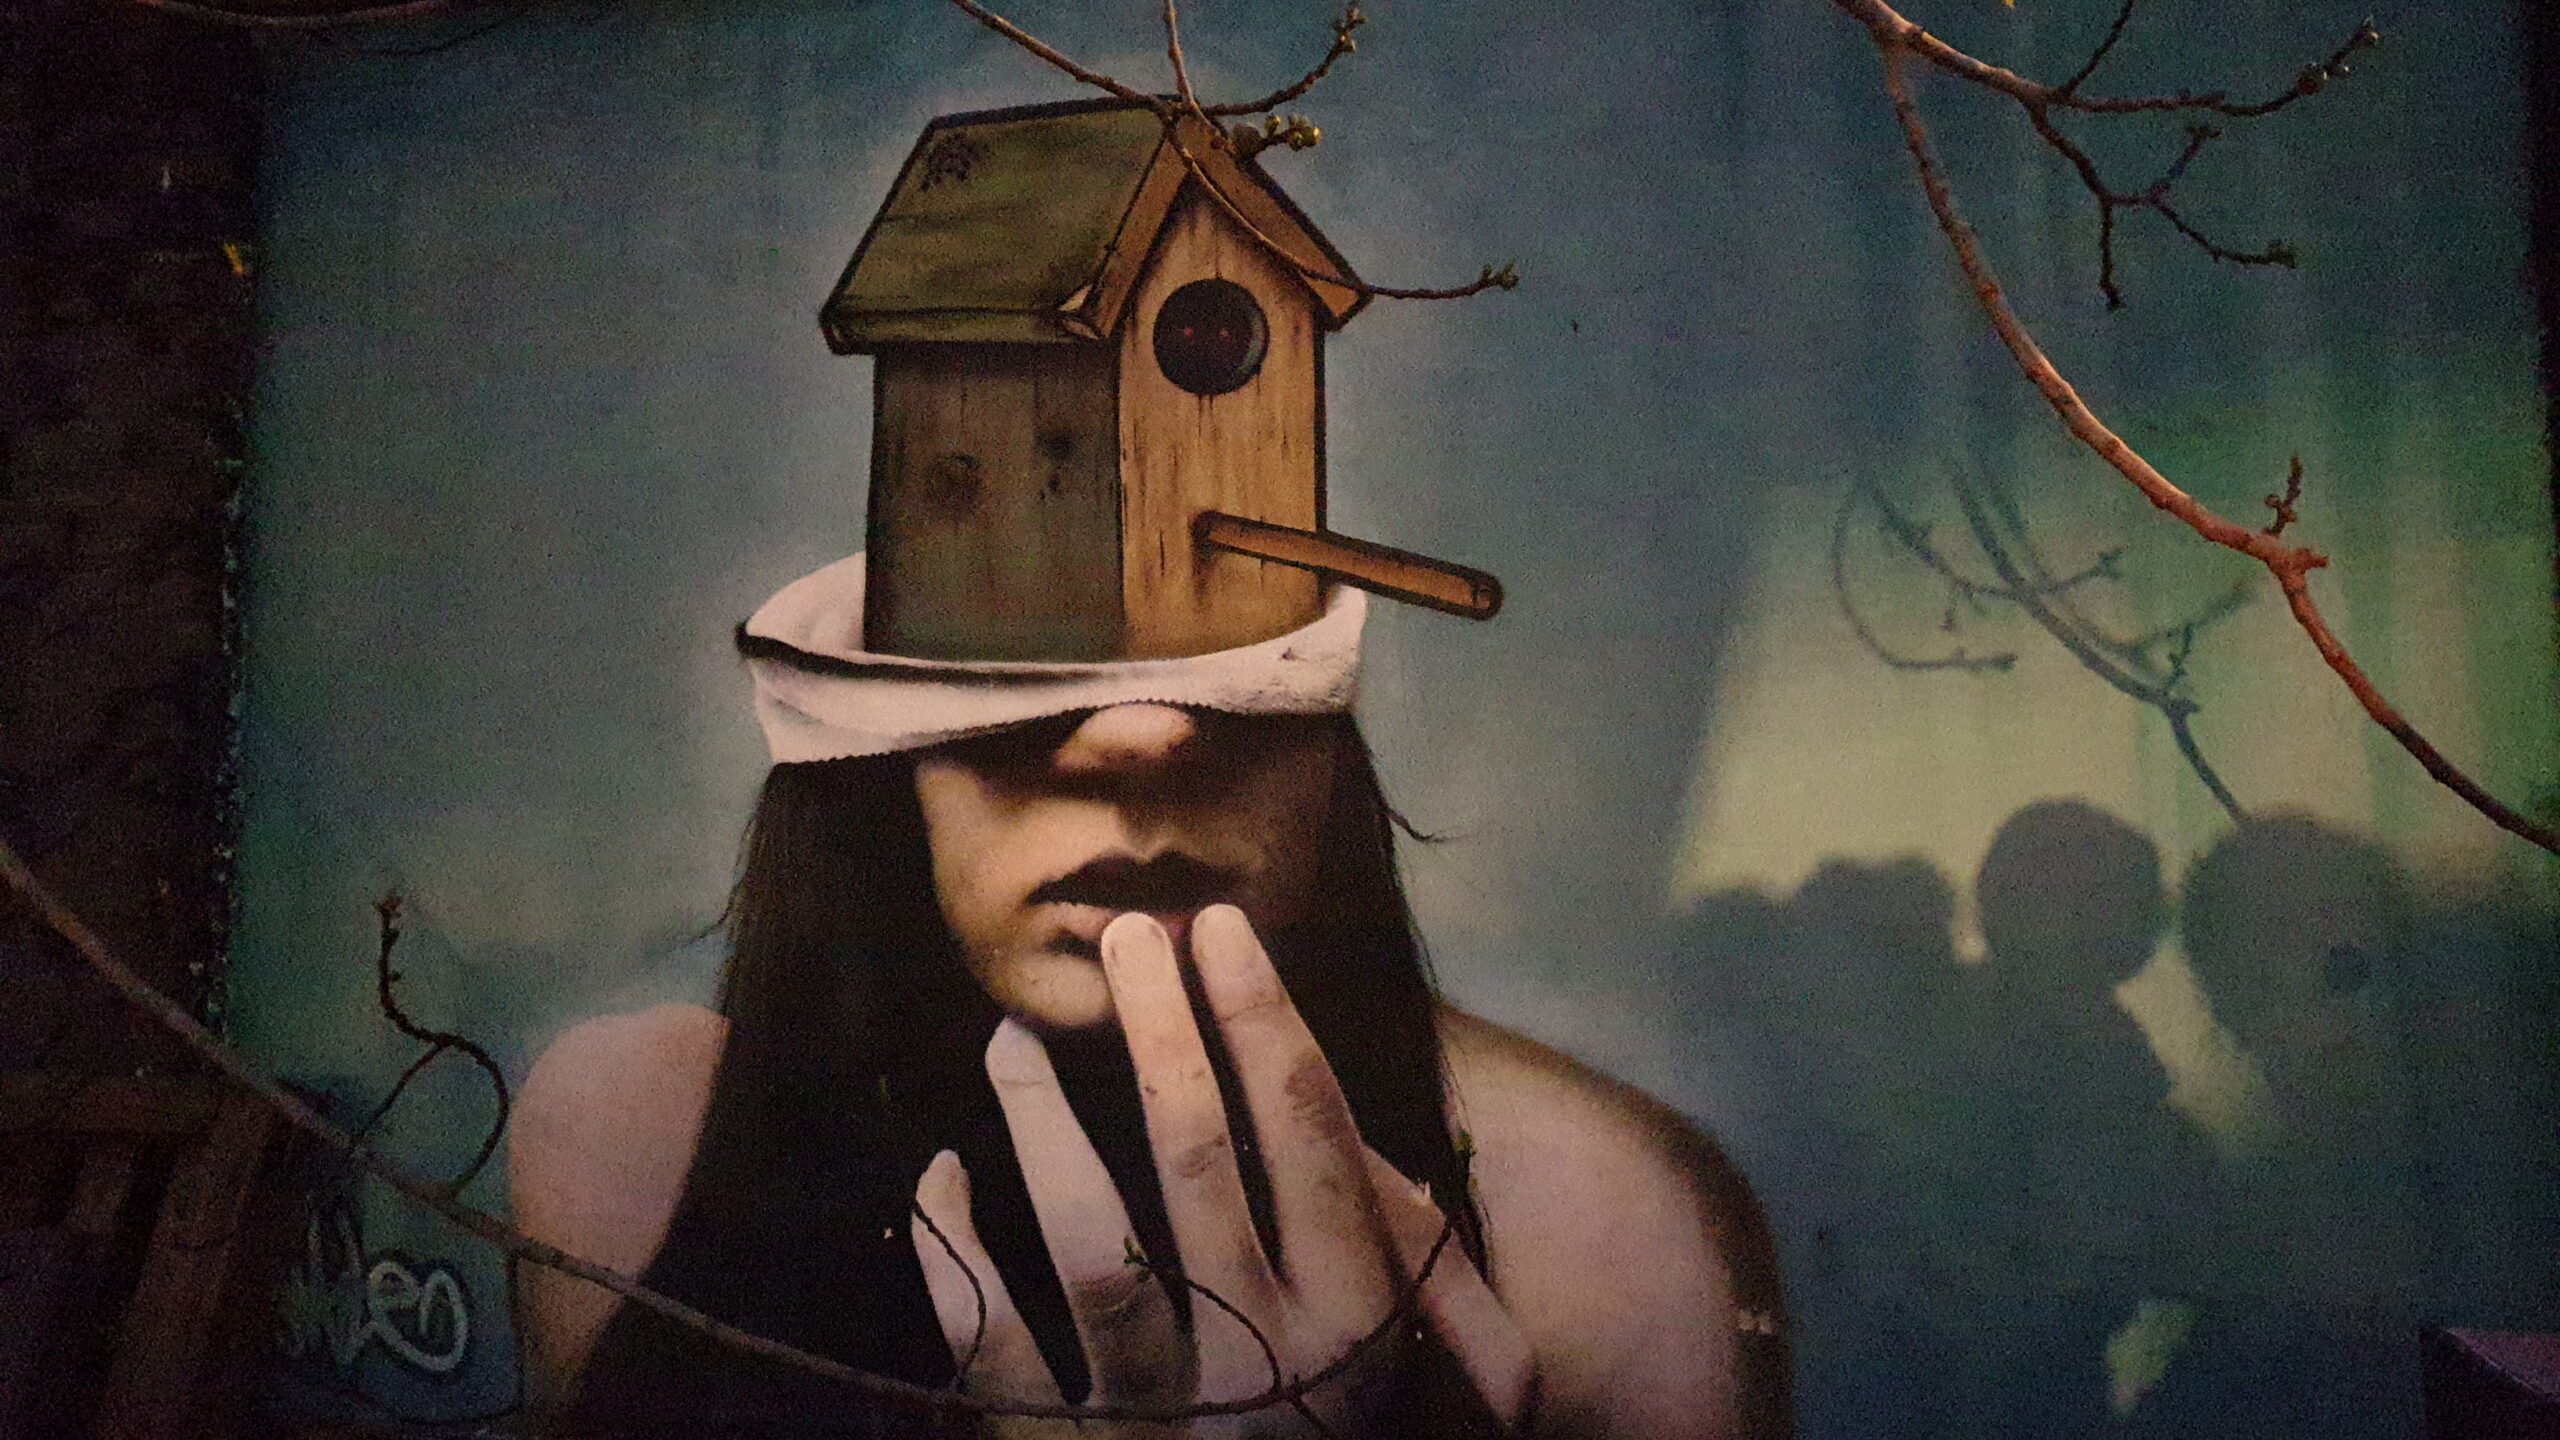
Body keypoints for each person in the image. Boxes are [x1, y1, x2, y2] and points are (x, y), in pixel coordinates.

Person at [507, 555, 1788, 1437]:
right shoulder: (633, 1141)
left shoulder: (1606, 1227)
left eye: (1229, 616)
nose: (1142, 730)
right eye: (1006, 614)